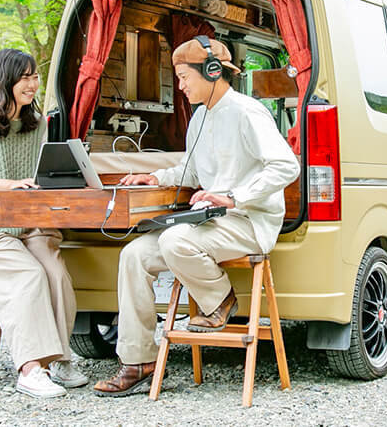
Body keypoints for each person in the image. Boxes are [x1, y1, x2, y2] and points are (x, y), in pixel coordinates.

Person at [93, 37, 300, 397]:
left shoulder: (247, 112)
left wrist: (233, 197)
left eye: (185, 76)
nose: (181, 85)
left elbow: (286, 166)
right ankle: (138, 361)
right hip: (211, 223)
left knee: (176, 240)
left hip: (248, 222)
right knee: (134, 256)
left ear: (213, 72)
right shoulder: (200, 117)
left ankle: (220, 300)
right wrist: (155, 177)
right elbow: (190, 172)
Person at [0, 48, 88, 398]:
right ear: (5, 79)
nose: (32, 84)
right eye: (25, 77)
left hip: (30, 223)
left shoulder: (38, 123)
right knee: (29, 277)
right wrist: (10, 186)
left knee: (57, 275)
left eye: (34, 77)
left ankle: (61, 360)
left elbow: (39, 176)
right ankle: (30, 369)